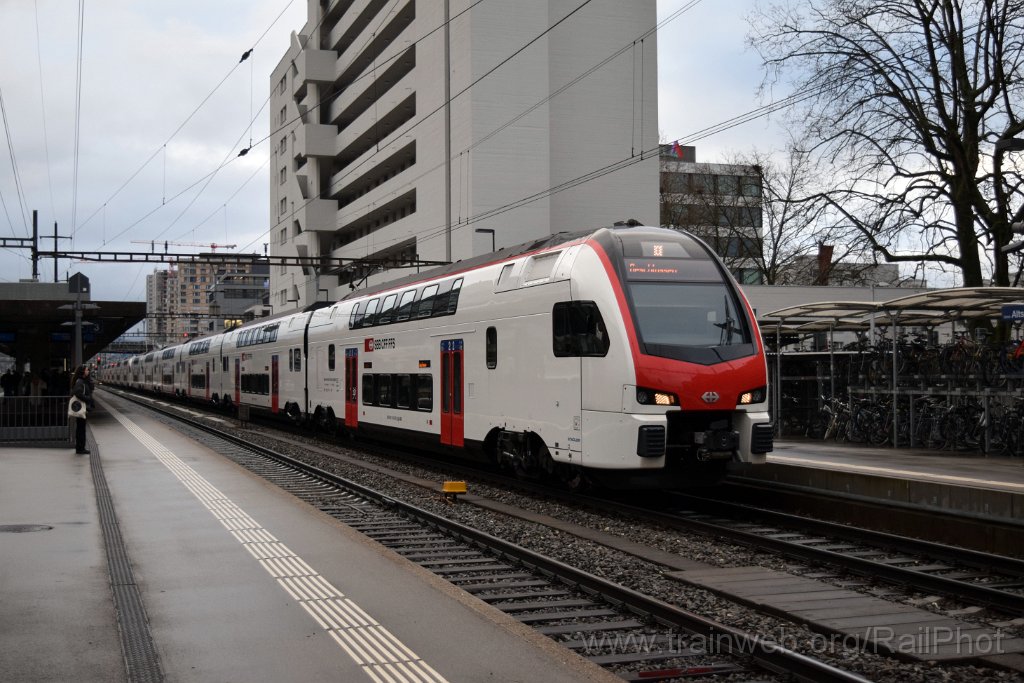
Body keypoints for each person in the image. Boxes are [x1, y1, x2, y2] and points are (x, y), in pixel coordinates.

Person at [71, 365, 95, 455]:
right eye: (86, 370)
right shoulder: (80, 382)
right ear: (82, 372)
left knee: (81, 428)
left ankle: (80, 447)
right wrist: (87, 398)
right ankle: (80, 448)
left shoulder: (81, 381)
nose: (88, 371)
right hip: (81, 407)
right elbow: (77, 393)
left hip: (82, 407)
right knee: (81, 428)